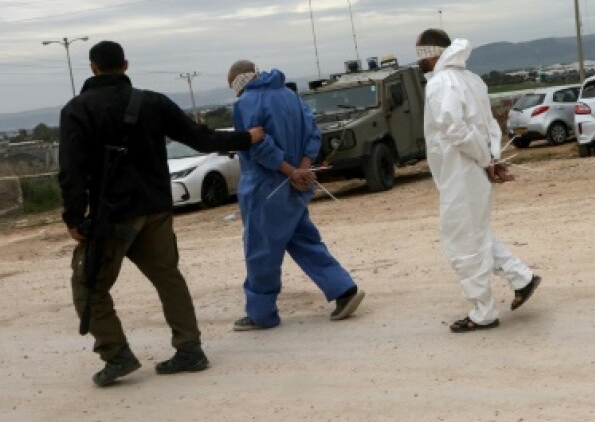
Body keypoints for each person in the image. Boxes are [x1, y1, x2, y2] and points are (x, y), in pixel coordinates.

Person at [58, 41, 262, 387]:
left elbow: (71, 169)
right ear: (125, 64)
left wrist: (74, 218)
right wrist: (246, 138)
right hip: (155, 209)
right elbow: (200, 137)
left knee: (89, 287)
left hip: (114, 214)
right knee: (168, 278)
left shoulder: (77, 109)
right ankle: (189, 350)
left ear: (93, 68)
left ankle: (117, 355)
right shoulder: (152, 101)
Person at [416, 28, 541, 333]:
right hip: (472, 168)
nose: (418, 61)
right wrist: (491, 159)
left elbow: (455, 129)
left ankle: (482, 312)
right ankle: (521, 277)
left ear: (433, 52)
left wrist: (487, 161)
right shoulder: (472, 80)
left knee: (462, 241)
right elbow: (490, 128)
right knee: (478, 232)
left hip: (461, 172)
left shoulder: (441, 83)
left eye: (420, 53)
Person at [227, 60, 365, 330]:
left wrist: (290, 171)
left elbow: (257, 145)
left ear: (237, 82)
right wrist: (303, 168)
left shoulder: (246, 103)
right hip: (296, 185)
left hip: (266, 187)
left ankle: (261, 313)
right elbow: (313, 131)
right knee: (303, 240)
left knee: (260, 250)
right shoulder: (289, 95)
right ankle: (343, 290)